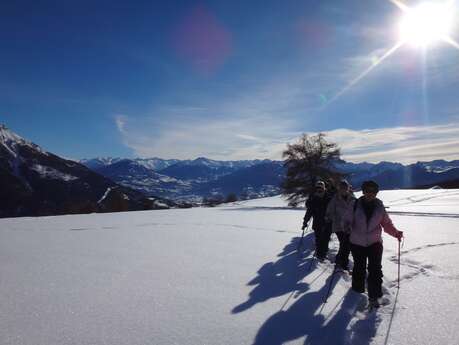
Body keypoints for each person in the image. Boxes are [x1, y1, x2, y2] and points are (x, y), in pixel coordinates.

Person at [349, 180, 403, 308]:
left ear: (376, 192)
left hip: (375, 243)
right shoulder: (355, 204)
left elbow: (386, 223)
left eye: (373, 191)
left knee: (375, 269)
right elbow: (347, 219)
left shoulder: (379, 206)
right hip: (357, 243)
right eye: (368, 190)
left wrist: (396, 233)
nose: (370, 193)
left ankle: (374, 296)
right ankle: (357, 293)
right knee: (359, 268)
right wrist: (345, 225)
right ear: (363, 191)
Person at [325, 179, 355, 271]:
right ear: (339, 189)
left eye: (345, 188)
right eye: (341, 188)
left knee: (347, 244)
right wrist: (328, 217)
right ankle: (342, 263)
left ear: (348, 188)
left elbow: (357, 210)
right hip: (338, 225)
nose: (343, 189)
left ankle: (340, 259)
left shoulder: (353, 198)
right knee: (345, 244)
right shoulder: (335, 199)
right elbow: (329, 210)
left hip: (349, 226)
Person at [302, 180, 332, 260]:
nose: (319, 190)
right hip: (317, 222)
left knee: (325, 239)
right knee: (319, 239)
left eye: (321, 188)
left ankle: (323, 253)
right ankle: (320, 254)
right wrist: (305, 221)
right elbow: (309, 211)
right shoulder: (313, 199)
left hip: (327, 222)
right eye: (317, 188)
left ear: (324, 188)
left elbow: (334, 210)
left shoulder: (329, 198)